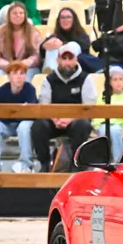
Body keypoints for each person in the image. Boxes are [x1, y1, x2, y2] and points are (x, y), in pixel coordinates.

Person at [31, 42, 97, 173]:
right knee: (38, 126)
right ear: (58, 60)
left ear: (76, 60)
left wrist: (70, 119)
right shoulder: (49, 79)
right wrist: (55, 119)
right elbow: (44, 104)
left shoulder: (86, 79)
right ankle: (45, 163)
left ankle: (76, 164)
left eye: (70, 58)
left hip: (76, 121)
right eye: (64, 58)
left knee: (83, 124)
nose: (67, 62)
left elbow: (89, 107)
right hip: (54, 121)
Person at [0, 61, 37, 172]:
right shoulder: (1, 91)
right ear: (9, 76)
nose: (19, 77)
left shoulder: (30, 89)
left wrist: (10, 113)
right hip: (6, 125)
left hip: (23, 123)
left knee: (25, 127)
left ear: (26, 76)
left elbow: (32, 113)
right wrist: (18, 111)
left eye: (22, 73)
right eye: (15, 73)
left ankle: (26, 165)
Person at [92, 66, 123, 163]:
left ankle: (117, 161)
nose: (118, 82)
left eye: (121, 79)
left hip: (121, 125)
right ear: (109, 82)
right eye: (115, 80)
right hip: (105, 124)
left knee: (115, 131)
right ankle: (103, 161)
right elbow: (98, 113)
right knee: (104, 131)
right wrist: (97, 126)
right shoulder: (103, 95)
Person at [0, 2, 40, 79]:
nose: (18, 15)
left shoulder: (34, 32)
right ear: (9, 15)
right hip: (5, 68)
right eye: (14, 13)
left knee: (26, 79)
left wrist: (22, 64)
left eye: (21, 13)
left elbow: (37, 55)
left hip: (28, 67)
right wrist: (9, 65)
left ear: (25, 15)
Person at [39, 8, 94, 74]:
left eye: (68, 17)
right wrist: (44, 46)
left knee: (73, 44)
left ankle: (62, 69)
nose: (65, 20)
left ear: (74, 20)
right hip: (57, 67)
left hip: (78, 67)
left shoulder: (81, 35)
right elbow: (41, 52)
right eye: (62, 17)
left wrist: (62, 44)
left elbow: (85, 48)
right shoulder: (55, 36)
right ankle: (51, 71)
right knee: (52, 44)